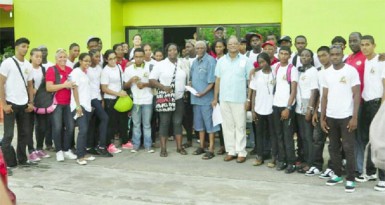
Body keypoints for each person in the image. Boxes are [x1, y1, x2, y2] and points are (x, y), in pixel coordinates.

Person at [321, 45, 360, 193]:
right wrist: (322, 117)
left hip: (347, 116)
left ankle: (350, 178)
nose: (335, 56)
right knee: (333, 147)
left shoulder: (351, 71)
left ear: (342, 54)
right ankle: (337, 174)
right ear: (330, 56)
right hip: (331, 116)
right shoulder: (327, 73)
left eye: (338, 54)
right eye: (332, 54)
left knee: (348, 147)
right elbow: (324, 96)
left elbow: (356, 94)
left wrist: (354, 117)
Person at [212, 36, 253, 163]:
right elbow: (217, 80)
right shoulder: (221, 61)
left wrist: (249, 99)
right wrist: (215, 98)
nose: (233, 46)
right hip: (224, 98)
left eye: (235, 43)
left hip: (240, 99)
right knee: (227, 126)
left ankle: (241, 152)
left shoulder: (246, 61)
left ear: (239, 45)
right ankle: (231, 151)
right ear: (227, 46)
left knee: (240, 126)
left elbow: (251, 81)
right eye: (230, 44)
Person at [149, 43, 190, 157]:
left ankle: (179, 147)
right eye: (170, 50)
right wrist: (163, 87)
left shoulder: (183, 63)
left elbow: (186, 78)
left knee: (178, 122)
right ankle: (163, 149)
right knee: (164, 123)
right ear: (167, 52)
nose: (173, 52)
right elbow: (151, 80)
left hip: (179, 98)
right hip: (166, 98)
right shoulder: (160, 65)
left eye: (175, 50)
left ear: (178, 51)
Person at [0, 37, 35, 167]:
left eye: (27, 47)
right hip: (11, 103)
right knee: (8, 136)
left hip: (24, 104)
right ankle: (9, 162)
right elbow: (1, 84)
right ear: (17, 47)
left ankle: (22, 159)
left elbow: (30, 85)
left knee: (24, 134)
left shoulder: (28, 65)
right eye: (23, 46)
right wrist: (4, 104)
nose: (25, 49)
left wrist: (31, 102)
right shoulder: (7, 63)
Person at [356, 35, 384, 187]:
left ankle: (383, 179)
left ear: (374, 45)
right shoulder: (365, 61)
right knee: (367, 139)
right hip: (365, 104)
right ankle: (371, 173)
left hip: (377, 104)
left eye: (368, 44)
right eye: (362, 45)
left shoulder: (381, 61)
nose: (365, 47)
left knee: (380, 141)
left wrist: (383, 106)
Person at [307, 46, 334, 178]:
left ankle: (332, 167)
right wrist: (315, 111)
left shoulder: (336, 70)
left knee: (334, 142)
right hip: (320, 110)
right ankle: (317, 165)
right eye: (320, 56)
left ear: (330, 55)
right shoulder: (319, 72)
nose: (322, 58)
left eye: (324, 55)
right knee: (317, 139)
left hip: (334, 111)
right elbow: (319, 94)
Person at [46, 48, 77, 162]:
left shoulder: (70, 69)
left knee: (70, 127)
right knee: (57, 127)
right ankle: (59, 151)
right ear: (56, 58)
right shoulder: (52, 69)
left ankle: (66, 149)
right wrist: (64, 85)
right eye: (60, 57)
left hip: (69, 103)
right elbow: (49, 87)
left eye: (64, 57)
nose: (63, 59)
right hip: (56, 104)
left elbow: (74, 85)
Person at [189, 41, 218, 159]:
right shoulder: (194, 63)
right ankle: (201, 146)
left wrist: (203, 93)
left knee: (209, 125)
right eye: (197, 48)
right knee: (199, 124)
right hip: (195, 99)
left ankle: (211, 148)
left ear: (206, 49)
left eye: (201, 48)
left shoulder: (211, 61)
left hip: (206, 99)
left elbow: (212, 82)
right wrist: (189, 85)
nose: (199, 50)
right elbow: (191, 78)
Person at [272, 46, 298, 173]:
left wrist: (288, 107)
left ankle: (291, 162)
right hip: (276, 106)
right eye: (281, 53)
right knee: (279, 135)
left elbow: (293, 90)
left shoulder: (292, 69)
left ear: (289, 55)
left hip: (286, 106)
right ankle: (281, 160)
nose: (283, 56)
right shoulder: (275, 67)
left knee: (288, 136)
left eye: (285, 54)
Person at [124, 48, 154, 153]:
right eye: (136, 57)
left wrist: (144, 84)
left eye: (141, 56)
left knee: (146, 124)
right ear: (133, 57)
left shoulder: (150, 67)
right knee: (136, 124)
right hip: (135, 100)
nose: (138, 59)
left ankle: (148, 145)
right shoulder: (128, 69)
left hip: (148, 100)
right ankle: (136, 145)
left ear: (144, 56)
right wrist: (131, 80)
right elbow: (125, 86)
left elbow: (154, 83)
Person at [249, 53, 276, 166]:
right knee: (259, 134)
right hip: (259, 108)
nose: (262, 64)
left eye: (264, 61)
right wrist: (253, 109)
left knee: (272, 134)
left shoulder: (275, 72)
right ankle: (259, 156)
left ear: (268, 61)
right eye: (260, 62)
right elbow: (254, 93)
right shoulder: (256, 74)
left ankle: (274, 157)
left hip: (272, 108)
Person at [294, 49, 318, 173]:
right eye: (302, 56)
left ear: (311, 58)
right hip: (299, 106)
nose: (304, 57)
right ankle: (304, 159)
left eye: (307, 56)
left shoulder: (313, 71)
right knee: (302, 136)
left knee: (308, 137)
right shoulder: (300, 70)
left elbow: (314, 90)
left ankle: (311, 162)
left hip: (307, 105)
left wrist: (310, 109)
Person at [70, 53, 96, 165]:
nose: (88, 63)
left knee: (85, 131)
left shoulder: (85, 73)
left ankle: (84, 153)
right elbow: (74, 89)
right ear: (80, 61)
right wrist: (77, 105)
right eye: (85, 61)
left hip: (86, 106)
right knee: (83, 130)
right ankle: (79, 156)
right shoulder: (76, 72)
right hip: (79, 106)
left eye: (89, 61)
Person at [101, 49, 128, 154]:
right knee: (111, 124)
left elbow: (122, 82)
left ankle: (124, 141)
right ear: (106, 60)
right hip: (110, 99)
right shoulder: (105, 71)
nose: (113, 61)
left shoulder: (119, 67)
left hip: (119, 98)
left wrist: (121, 92)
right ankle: (109, 144)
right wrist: (118, 94)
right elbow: (104, 88)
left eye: (114, 58)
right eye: (110, 59)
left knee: (122, 121)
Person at [86, 49, 112, 157]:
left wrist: (101, 99)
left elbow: (99, 86)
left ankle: (90, 146)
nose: (98, 59)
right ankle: (101, 146)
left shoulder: (99, 68)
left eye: (99, 57)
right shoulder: (86, 69)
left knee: (94, 123)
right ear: (90, 57)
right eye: (96, 57)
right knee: (105, 118)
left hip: (97, 97)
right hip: (89, 98)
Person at [29, 48, 50, 161]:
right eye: (36, 56)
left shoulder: (43, 69)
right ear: (31, 56)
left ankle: (39, 148)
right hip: (29, 101)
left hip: (41, 101)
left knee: (41, 126)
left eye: (40, 56)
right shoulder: (27, 68)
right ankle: (31, 150)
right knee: (29, 127)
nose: (38, 58)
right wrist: (33, 91)